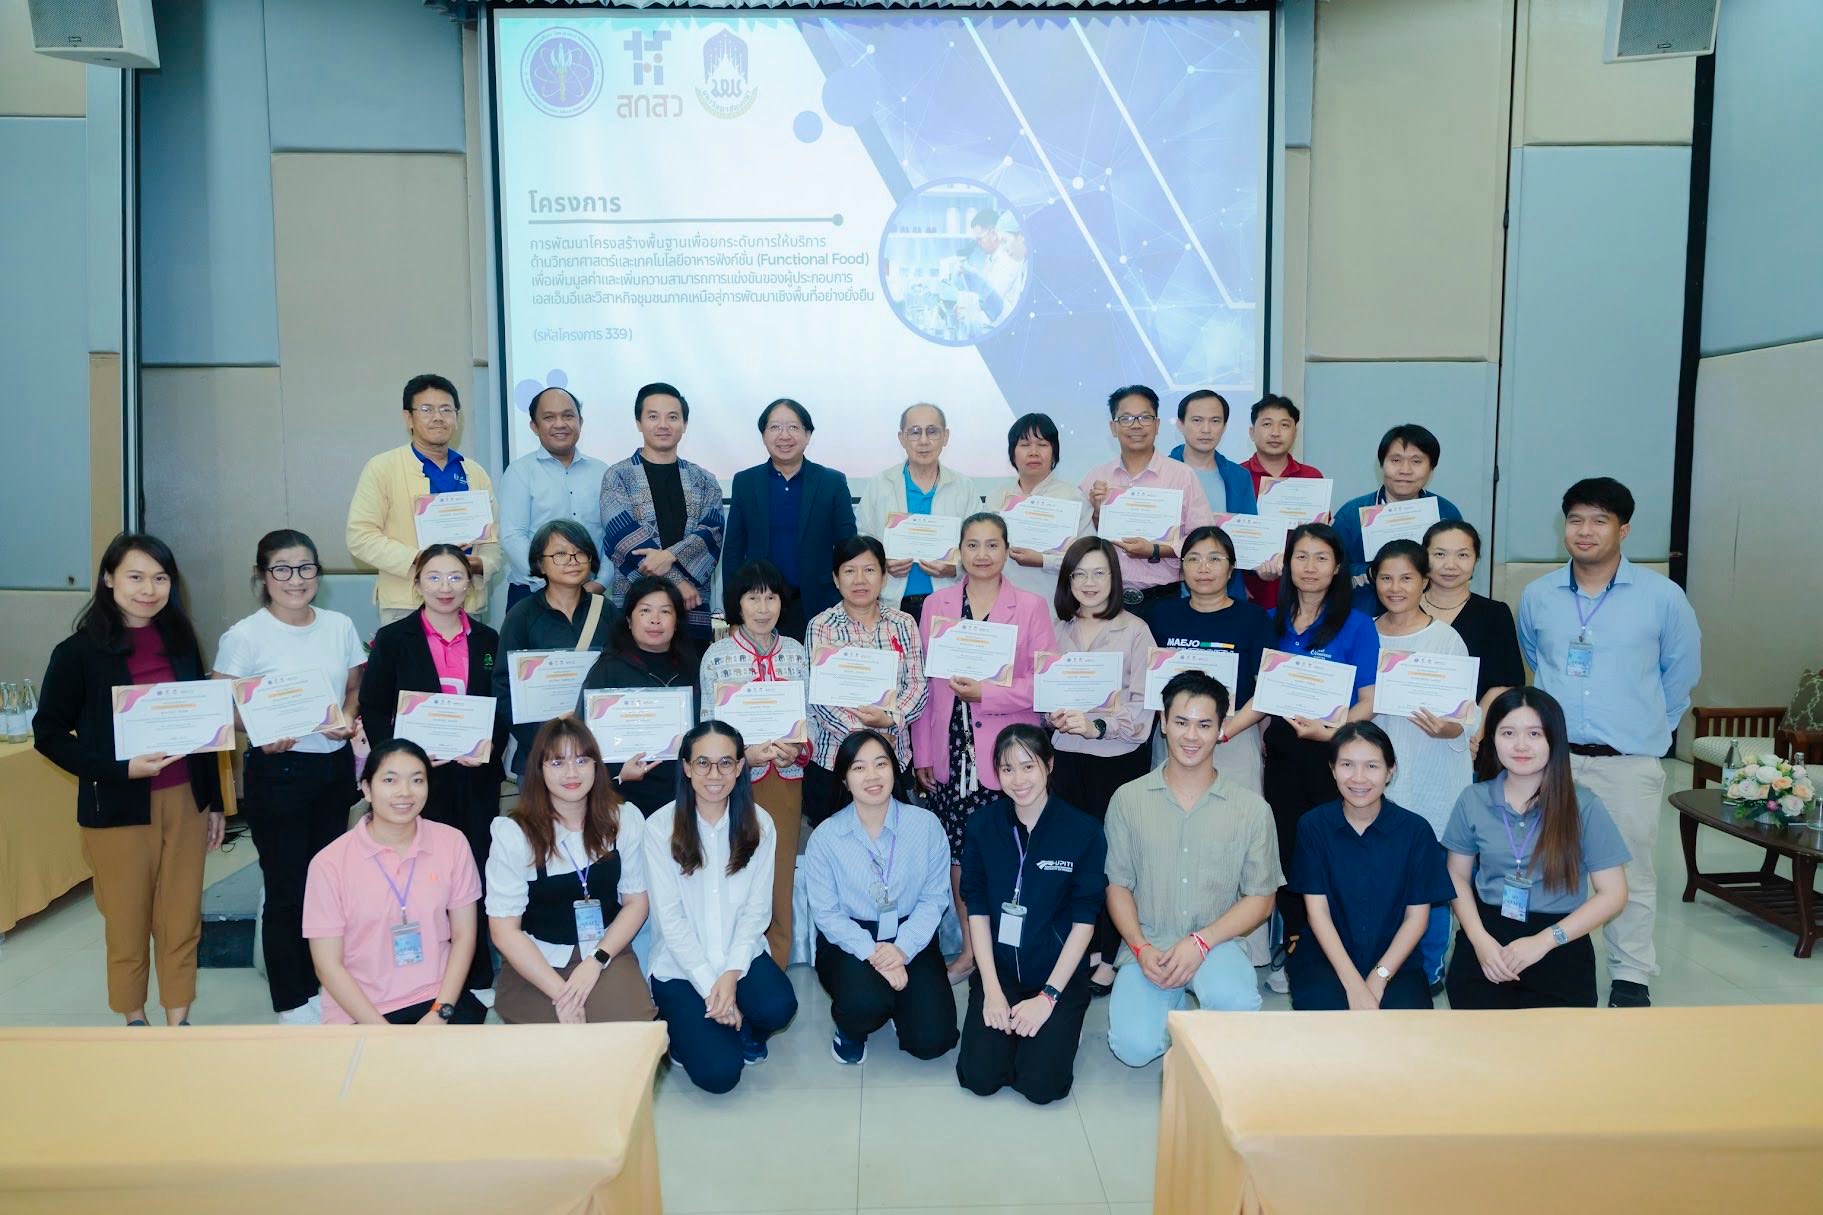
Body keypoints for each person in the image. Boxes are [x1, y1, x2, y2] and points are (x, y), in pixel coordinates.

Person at [1517, 477, 1699, 1008]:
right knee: (1541, 866)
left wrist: (1648, 732)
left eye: (1600, 520)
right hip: (1552, 763)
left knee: (1629, 872)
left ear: (1624, 529)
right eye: (1576, 519)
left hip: (1627, 762)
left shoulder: (1663, 598)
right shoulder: (1539, 595)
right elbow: (1536, 660)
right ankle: (1542, 959)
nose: (1586, 531)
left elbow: (1680, 676)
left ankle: (1631, 973)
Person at [33, 533, 226, 1027]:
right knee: (127, 921)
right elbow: (49, 735)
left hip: (185, 799)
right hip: (118, 805)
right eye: (135, 577)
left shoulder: (181, 642)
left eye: (160, 578)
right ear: (108, 579)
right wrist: (121, 769)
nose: (149, 589)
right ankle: (135, 1021)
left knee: (182, 918)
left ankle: (178, 1021)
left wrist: (215, 802)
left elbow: (203, 726)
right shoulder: (78, 652)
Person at [212, 529, 364, 1024]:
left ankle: (325, 985)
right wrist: (259, 731)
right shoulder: (245, 635)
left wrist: (347, 717)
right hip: (278, 772)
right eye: (281, 568)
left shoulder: (339, 625)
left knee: (327, 885)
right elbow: (221, 706)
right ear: (262, 575)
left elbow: (354, 685)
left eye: (305, 568)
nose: (295, 579)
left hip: (331, 769)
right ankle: (291, 999)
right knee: (286, 888)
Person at [1222, 523, 1377, 993]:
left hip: (1334, 754)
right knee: (1287, 851)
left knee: (1334, 850)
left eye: (1321, 558)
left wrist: (1330, 732)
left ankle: (1337, 945)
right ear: (1287, 564)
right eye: (1301, 557)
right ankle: (1293, 943)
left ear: (1337, 567)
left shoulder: (1357, 624)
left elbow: (1368, 702)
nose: (1310, 567)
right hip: (1285, 755)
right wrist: (1222, 731)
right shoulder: (1271, 620)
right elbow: (1262, 696)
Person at [1105, 672, 1280, 1067]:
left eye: (1204, 725)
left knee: (1235, 1005)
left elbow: (1261, 898)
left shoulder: (1251, 809)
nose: (1191, 735)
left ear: (1220, 730)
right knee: (1133, 1049)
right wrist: (1140, 947)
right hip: (1149, 944)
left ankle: (1200, 1005)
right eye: (1181, 722)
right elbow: (1118, 886)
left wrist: (1201, 942)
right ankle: (1175, 1007)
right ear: (1163, 722)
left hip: (1216, 943)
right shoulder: (1128, 800)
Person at [911, 512, 1055, 983]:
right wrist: (923, 752)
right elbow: (927, 684)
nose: (982, 554)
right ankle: (972, 951)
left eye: (993, 545)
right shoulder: (937, 604)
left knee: (1008, 856)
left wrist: (986, 694)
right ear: (959, 551)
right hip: (951, 751)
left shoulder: (1031, 606)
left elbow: (1045, 683)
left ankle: (1011, 953)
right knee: (960, 857)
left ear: (1007, 550)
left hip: (1009, 758)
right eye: (972, 544)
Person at [358, 544, 507, 994]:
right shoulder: (393, 639)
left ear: (471, 584)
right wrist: (401, 763)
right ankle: (422, 972)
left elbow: (501, 706)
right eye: (435, 577)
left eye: (456, 577)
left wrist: (487, 748)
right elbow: (373, 706)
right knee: (418, 873)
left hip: (473, 776)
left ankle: (475, 971)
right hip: (415, 784)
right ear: (417, 582)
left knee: (472, 869)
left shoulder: (488, 640)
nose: (446, 587)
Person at [1442, 688, 1631, 1010]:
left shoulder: (1584, 805)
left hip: (1560, 940)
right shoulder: (1472, 799)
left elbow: (1613, 893)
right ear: (1492, 738)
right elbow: (1456, 876)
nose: (1520, 745)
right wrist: (1478, 938)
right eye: (1508, 733)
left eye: (1534, 734)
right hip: (1488, 939)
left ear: (1554, 740)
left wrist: (1544, 941)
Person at [956, 724, 1106, 1105]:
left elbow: (1085, 921)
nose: (1018, 780)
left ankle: (1058, 1026)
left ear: (1049, 765)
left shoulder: (1083, 831)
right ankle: (1015, 1030)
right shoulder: (982, 826)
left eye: (1028, 766)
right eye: (1007, 769)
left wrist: (1048, 998)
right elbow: (977, 908)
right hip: (1002, 972)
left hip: (1056, 975)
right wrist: (991, 990)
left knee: (1041, 1086)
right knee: (979, 1077)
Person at [645, 722, 798, 1092]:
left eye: (726, 763)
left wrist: (729, 976)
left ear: (740, 766)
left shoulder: (760, 823)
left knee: (779, 1007)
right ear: (686, 767)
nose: (714, 774)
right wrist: (710, 987)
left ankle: (739, 1024)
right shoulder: (660, 827)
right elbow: (670, 921)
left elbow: (757, 912)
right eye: (703, 763)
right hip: (682, 968)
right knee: (719, 1076)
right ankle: (688, 1031)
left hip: (737, 957)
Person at [302, 739, 487, 1025]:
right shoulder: (329, 864)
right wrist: (386, 1034)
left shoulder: (452, 842)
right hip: (361, 1010)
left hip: (438, 998)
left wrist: (440, 1011)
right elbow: (328, 965)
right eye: (390, 780)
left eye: (417, 780)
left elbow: (464, 936)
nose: (405, 792)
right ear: (366, 788)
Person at [485, 716, 656, 1025]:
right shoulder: (514, 834)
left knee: (631, 1030)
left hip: (604, 952)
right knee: (555, 1043)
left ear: (596, 765)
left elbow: (636, 903)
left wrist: (595, 961)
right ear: (539, 769)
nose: (572, 773)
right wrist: (563, 994)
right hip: (536, 960)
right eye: (557, 762)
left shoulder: (623, 819)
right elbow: (504, 931)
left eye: (581, 760)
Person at [1361, 540, 1477, 989]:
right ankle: (1382, 960)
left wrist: (1451, 728)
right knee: (1379, 874)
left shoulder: (1445, 639)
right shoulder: (1364, 633)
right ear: (1373, 581)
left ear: (1424, 581)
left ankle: (1430, 965)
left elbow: (1467, 714)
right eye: (1386, 577)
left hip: (1432, 772)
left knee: (1431, 875)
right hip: (1373, 774)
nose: (1395, 587)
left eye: (1407, 578)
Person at [803, 730, 958, 1064]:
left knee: (933, 1041)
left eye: (881, 764)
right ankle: (850, 1029)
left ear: (894, 769)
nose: (872, 776)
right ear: (844, 779)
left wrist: (901, 949)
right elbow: (827, 915)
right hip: (849, 937)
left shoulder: (926, 825)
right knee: (865, 1003)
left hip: (909, 931)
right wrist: (874, 954)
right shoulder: (826, 837)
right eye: (859, 768)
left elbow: (934, 899)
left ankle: (900, 1006)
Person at [1047, 536, 1154, 994]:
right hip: (1065, 761)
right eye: (1080, 574)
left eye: (1099, 573)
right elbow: (1042, 693)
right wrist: (1051, 714)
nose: (1089, 583)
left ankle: (1110, 953)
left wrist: (1097, 727)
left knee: (1114, 860)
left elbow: (1143, 708)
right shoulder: (1057, 630)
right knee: (1072, 858)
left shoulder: (1135, 631)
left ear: (1115, 578)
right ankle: (1081, 947)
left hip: (1116, 763)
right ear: (1067, 580)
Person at [1286, 723, 1454, 1011]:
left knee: (1406, 1027)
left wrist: (1378, 978)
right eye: (1347, 765)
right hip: (1327, 956)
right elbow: (1318, 913)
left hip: (1396, 960)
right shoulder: (1313, 826)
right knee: (1326, 1017)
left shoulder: (1415, 831)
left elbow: (1417, 919)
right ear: (1332, 769)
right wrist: (1354, 985)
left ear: (1390, 771)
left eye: (1372, 766)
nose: (1359, 778)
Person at [699, 560, 810, 968]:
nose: (763, 608)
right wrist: (744, 756)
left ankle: (775, 963)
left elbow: (810, 717)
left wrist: (797, 749)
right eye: (753, 598)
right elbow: (707, 726)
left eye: (771, 597)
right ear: (738, 603)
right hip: (732, 785)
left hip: (786, 779)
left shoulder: (795, 652)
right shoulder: (718, 656)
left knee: (779, 875)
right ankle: (732, 965)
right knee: (736, 873)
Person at [347, 373, 499, 624]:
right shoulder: (383, 467)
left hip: (466, 602)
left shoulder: (475, 472)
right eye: (427, 409)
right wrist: (421, 559)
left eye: (446, 410)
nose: (438, 417)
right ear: (408, 417)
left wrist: (481, 564)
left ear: (457, 417)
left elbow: (494, 541)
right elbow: (360, 537)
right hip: (406, 603)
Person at [804, 535, 929, 826]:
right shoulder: (821, 626)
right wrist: (870, 740)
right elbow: (820, 701)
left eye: (869, 570)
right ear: (836, 579)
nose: (860, 579)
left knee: (894, 843)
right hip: (835, 761)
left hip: (893, 757)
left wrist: (891, 719)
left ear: (884, 577)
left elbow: (917, 687)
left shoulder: (903, 623)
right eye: (849, 571)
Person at [1146, 525, 1275, 793]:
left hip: (1233, 733)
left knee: (1237, 814)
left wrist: (1226, 729)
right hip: (1175, 736)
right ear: (1182, 568)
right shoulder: (1162, 615)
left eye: (1214, 559)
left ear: (1231, 569)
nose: (1203, 568)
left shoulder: (1254, 618)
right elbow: (1148, 680)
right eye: (1193, 559)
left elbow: (1268, 689)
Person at [721, 399, 858, 641]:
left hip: (819, 604)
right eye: (775, 427)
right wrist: (734, 616)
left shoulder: (832, 482)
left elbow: (848, 548)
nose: (784, 436)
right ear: (763, 435)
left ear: (808, 434)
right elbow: (733, 550)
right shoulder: (746, 482)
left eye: (793, 427)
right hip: (760, 606)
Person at [599, 382, 724, 642]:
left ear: (684, 424)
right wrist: (677, 582)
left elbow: (711, 534)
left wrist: (668, 556)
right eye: (653, 416)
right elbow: (623, 540)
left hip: (690, 606)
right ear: (639, 422)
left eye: (673, 417)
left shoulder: (705, 480)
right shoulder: (617, 476)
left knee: (690, 665)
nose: (663, 425)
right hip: (638, 605)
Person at [492, 519, 613, 781]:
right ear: (540, 563)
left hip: (596, 751)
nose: (572, 561)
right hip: (539, 754)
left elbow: (620, 675)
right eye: (560, 554)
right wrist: (541, 740)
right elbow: (504, 686)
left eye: (580, 553)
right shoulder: (522, 615)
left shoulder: (607, 611)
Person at [1080, 385, 1213, 619]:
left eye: (1145, 417)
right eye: (1126, 418)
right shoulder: (1095, 478)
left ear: (1157, 425)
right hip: (1105, 599)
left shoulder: (1181, 476)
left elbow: (1202, 540)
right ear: (1113, 427)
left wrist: (1154, 550)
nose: (1136, 425)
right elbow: (1077, 544)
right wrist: (1097, 514)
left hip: (1164, 600)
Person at [575, 576, 701, 817]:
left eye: (665, 611)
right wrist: (618, 773)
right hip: (623, 795)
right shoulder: (608, 668)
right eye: (645, 611)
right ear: (629, 620)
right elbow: (583, 736)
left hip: (681, 793)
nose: (655, 619)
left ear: (676, 622)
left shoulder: (690, 667)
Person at [857, 403, 978, 622]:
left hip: (949, 603)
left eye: (932, 431)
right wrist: (881, 563)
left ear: (945, 437)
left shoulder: (963, 486)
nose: (923, 440)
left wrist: (955, 568)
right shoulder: (880, 484)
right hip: (892, 604)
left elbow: (978, 543)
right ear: (902, 438)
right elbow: (863, 538)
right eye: (914, 432)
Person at [497, 385, 610, 609]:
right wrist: (551, 583)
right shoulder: (520, 472)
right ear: (534, 426)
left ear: (580, 421)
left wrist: (601, 582)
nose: (560, 424)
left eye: (568, 416)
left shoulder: (602, 472)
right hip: (533, 593)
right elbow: (513, 536)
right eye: (549, 417)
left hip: (591, 592)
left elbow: (611, 538)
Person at [1333, 424, 1464, 611]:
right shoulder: (1351, 514)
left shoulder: (1446, 513)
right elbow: (1331, 571)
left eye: (1416, 461)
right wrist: (1371, 573)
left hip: (1430, 613)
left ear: (1431, 467)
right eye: (1395, 460)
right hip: (1365, 616)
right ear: (1381, 464)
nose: (1405, 470)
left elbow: (1460, 566)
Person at [1420, 519, 1524, 756]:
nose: (1450, 565)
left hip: (1470, 743)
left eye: (1463, 555)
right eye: (1440, 554)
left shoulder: (1494, 614)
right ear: (1424, 557)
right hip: (1405, 735)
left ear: (1476, 560)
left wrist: (1470, 735)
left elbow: (1502, 685)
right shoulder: (1402, 609)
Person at [981, 412, 1091, 614]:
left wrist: (1043, 560)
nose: (1033, 452)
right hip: (999, 607)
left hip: (1054, 608)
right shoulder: (996, 497)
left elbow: (1088, 559)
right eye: (1024, 445)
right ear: (1012, 453)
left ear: (1054, 452)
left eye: (1042, 444)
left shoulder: (1073, 498)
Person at [1168, 390, 1255, 602]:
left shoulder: (1239, 477)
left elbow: (1250, 537)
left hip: (1224, 595)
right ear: (1181, 424)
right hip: (1171, 593)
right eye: (1197, 420)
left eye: (1215, 421)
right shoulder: (1162, 473)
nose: (1206, 429)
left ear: (1224, 426)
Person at [1240, 394, 1324, 611]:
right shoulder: (1237, 476)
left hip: (1302, 591)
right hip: (1249, 591)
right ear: (1252, 432)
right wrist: (1235, 583)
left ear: (1295, 432)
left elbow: (1322, 536)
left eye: (1284, 425)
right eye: (1267, 424)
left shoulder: (1312, 477)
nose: (1275, 433)